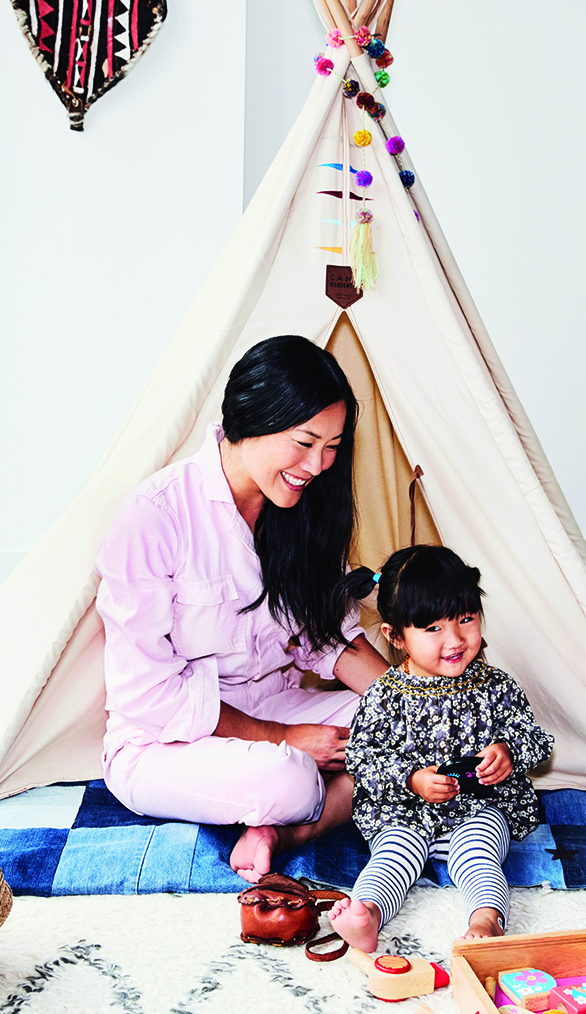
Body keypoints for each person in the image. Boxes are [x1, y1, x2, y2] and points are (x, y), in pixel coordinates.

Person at [94, 335, 388, 883]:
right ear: (250, 419)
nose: (318, 465)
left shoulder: (298, 510)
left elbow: (326, 636)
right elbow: (146, 694)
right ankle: (297, 805)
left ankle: (283, 831)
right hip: (166, 742)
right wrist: (282, 737)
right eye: (304, 442)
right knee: (292, 780)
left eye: (332, 447)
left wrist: (422, 708)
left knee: (400, 732)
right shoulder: (155, 516)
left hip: (274, 704)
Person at [327, 545, 554, 948]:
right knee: (392, 857)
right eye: (433, 628)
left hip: (479, 806)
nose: (455, 639)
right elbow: (364, 759)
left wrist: (509, 751)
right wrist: (412, 779)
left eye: (466, 619)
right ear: (395, 635)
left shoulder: (495, 685)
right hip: (405, 811)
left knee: (480, 857)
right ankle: (369, 914)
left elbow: (534, 738)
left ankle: (487, 921)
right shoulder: (384, 695)